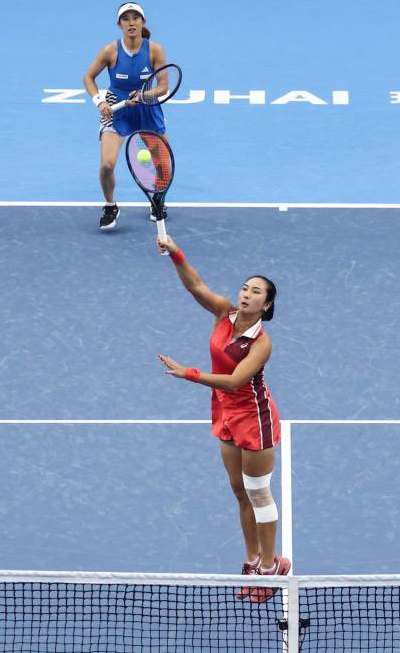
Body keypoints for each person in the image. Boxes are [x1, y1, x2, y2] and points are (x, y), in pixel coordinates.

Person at [155, 235, 291, 603]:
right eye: (245, 288)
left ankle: (270, 567)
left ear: (267, 303)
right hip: (226, 413)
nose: (246, 294)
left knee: (259, 493)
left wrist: (190, 374)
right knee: (239, 492)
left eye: (256, 292)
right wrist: (176, 253)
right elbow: (195, 285)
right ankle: (251, 560)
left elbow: (234, 381)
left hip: (254, 417)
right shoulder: (223, 313)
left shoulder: (261, 343)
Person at [82, 2, 168, 231]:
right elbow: (88, 78)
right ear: (120, 24)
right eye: (126, 19)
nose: (131, 22)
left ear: (143, 22)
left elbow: (163, 87)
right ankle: (110, 206)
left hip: (146, 106)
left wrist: (143, 94)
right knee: (107, 165)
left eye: (135, 18)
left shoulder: (155, 50)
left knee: (162, 163)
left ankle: (158, 198)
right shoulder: (110, 51)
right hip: (116, 107)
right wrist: (99, 102)